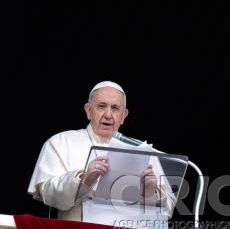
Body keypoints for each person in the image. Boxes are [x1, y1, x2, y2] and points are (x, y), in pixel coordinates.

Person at [27, 80, 175, 221]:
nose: (108, 115)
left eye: (115, 108)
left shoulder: (143, 151)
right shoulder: (61, 142)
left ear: (123, 116)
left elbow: (167, 211)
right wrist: (84, 179)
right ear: (88, 111)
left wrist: (149, 193)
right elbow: (47, 193)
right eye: (102, 106)